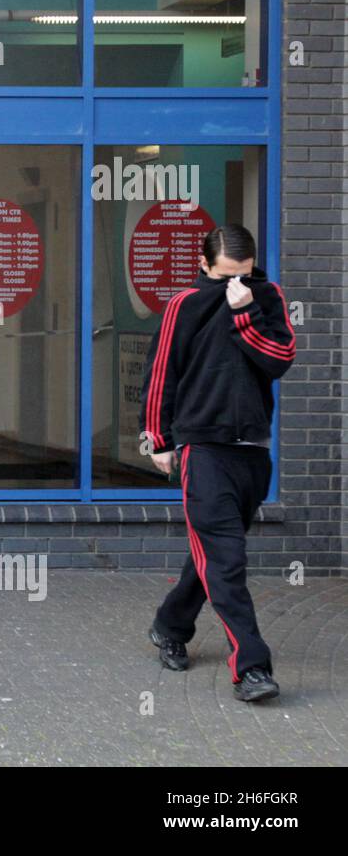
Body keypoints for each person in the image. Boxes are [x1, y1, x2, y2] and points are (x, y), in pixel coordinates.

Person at [142, 224, 295, 703]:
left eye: (245, 275)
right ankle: (251, 669)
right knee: (227, 561)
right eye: (228, 275)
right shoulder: (183, 305)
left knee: (212, 558)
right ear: (205, 265)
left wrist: (246, 315)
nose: (237, 284)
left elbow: (281, 358)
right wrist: (159, 440)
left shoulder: (265, 298)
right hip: (200, 448)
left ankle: (170, 624)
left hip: (251, 452)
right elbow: (161, 372)